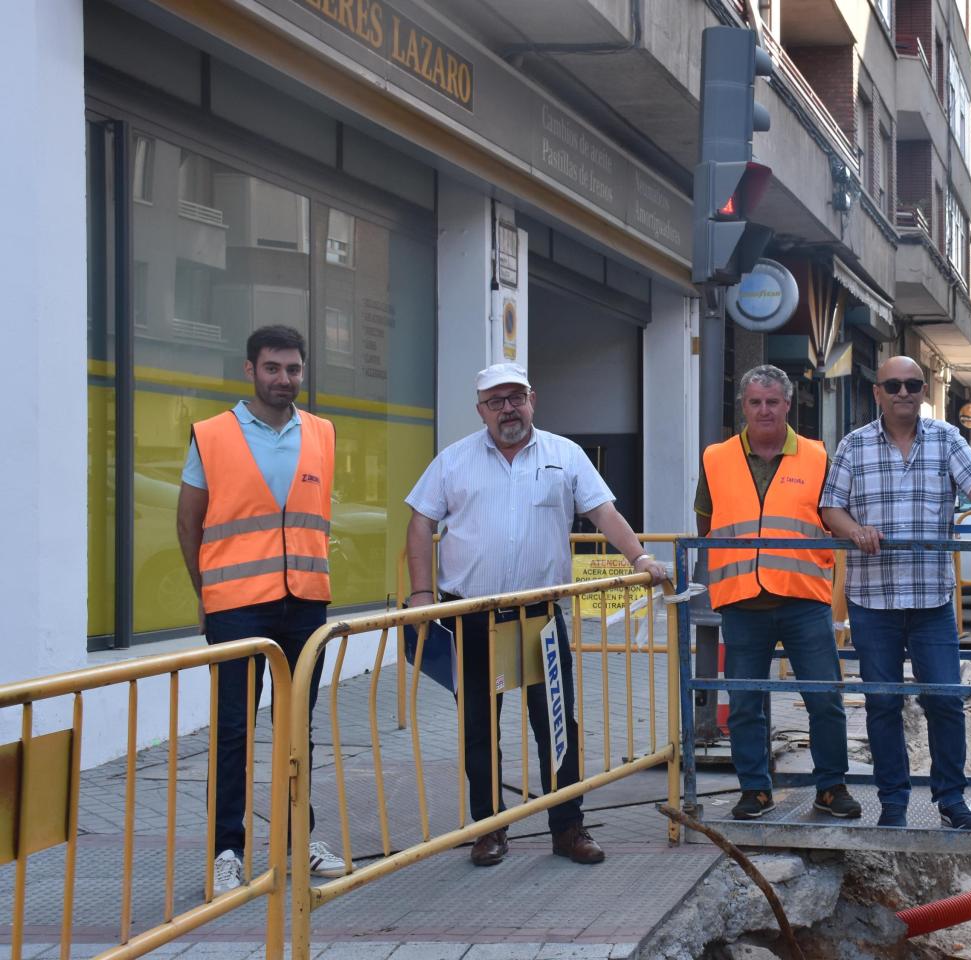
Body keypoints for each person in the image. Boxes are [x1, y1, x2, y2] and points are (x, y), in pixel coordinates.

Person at [403, 362, 668, 867]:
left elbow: (603, 512)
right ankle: (488, 829)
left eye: (516, 398)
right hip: (472, 619)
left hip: (540, 619)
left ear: (532, 400)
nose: (508, 409)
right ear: (480, 410)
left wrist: (640, 558)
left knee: (556, 727)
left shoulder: (564, 455)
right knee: (479, 729)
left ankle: (568, 828)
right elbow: (420, 522)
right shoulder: (453, 460)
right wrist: (420, 593)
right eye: (496, 401)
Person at [176, 324, 347, 894]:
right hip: (237, 609)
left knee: (298, 728)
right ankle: (227, 850)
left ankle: (300, 839)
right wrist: (207, 596)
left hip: (305, 603)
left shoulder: (321, 432)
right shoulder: (212, 435)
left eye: (293, 368)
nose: (283, 379)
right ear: (250, 369)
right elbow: (189, 522)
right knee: (233, 733)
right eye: (272, 368)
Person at [819, 356, 971, 830]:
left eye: (912, 385)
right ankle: (893, 803)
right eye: (893, 385)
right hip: (873, 600)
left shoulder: (946, 438)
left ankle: (951, 799)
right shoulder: (854, 445)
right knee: (883, 703)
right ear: (877, 392)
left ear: (923, 391)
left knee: (945, 700)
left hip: (932, 599)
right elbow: (831, 509)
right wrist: (854, 530)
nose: (903, 393)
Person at [696, 365, 860, 822]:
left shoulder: (817, 456)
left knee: (824, 698)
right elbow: (705, 520)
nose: (764, 410)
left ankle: (831, 787)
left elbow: (834, 515)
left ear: (788, 404)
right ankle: (755, 790)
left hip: (803, 599)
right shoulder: (716, 458)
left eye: (773, 401)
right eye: (755, 402)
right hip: (742, 601)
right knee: (745, 703)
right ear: (743, 406)